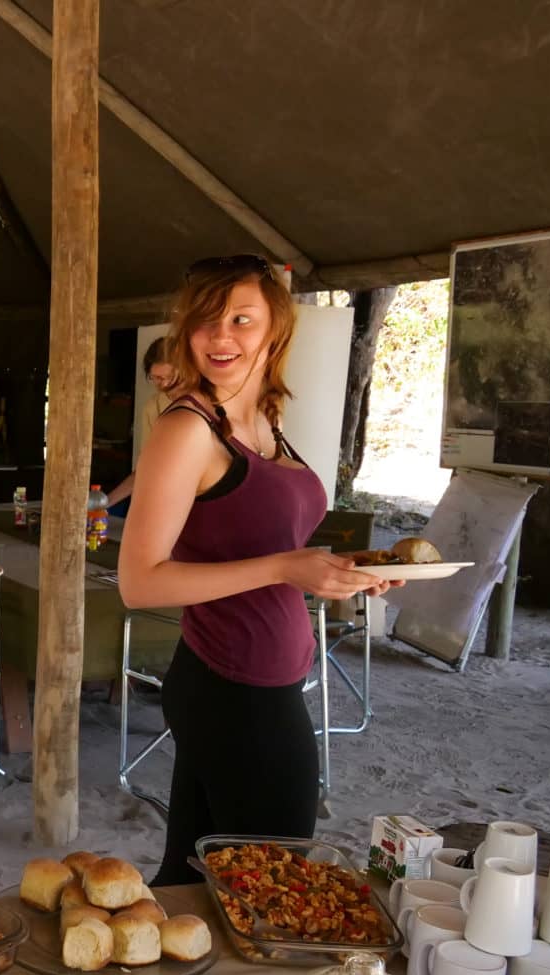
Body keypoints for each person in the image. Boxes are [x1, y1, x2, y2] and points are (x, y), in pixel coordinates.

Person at [116, 255, 394, 886]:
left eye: (241, 319)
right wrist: (282, 569)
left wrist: (348, 570)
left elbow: (275, 544)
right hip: (230, 686)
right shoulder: (188, 429)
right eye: (206, 321)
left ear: (275, 331)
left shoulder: (265, 420)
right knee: (276, 883)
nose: (221, 337)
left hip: (263, 679)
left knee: (193, 883)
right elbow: (141, 581)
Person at [100, 335, 174, 510]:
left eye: (170, 377)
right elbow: (146, 468)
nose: (164, 384)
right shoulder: (153, 407)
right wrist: (105, 503)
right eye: (156, 378)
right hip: (166, 501)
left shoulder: (208, 401)